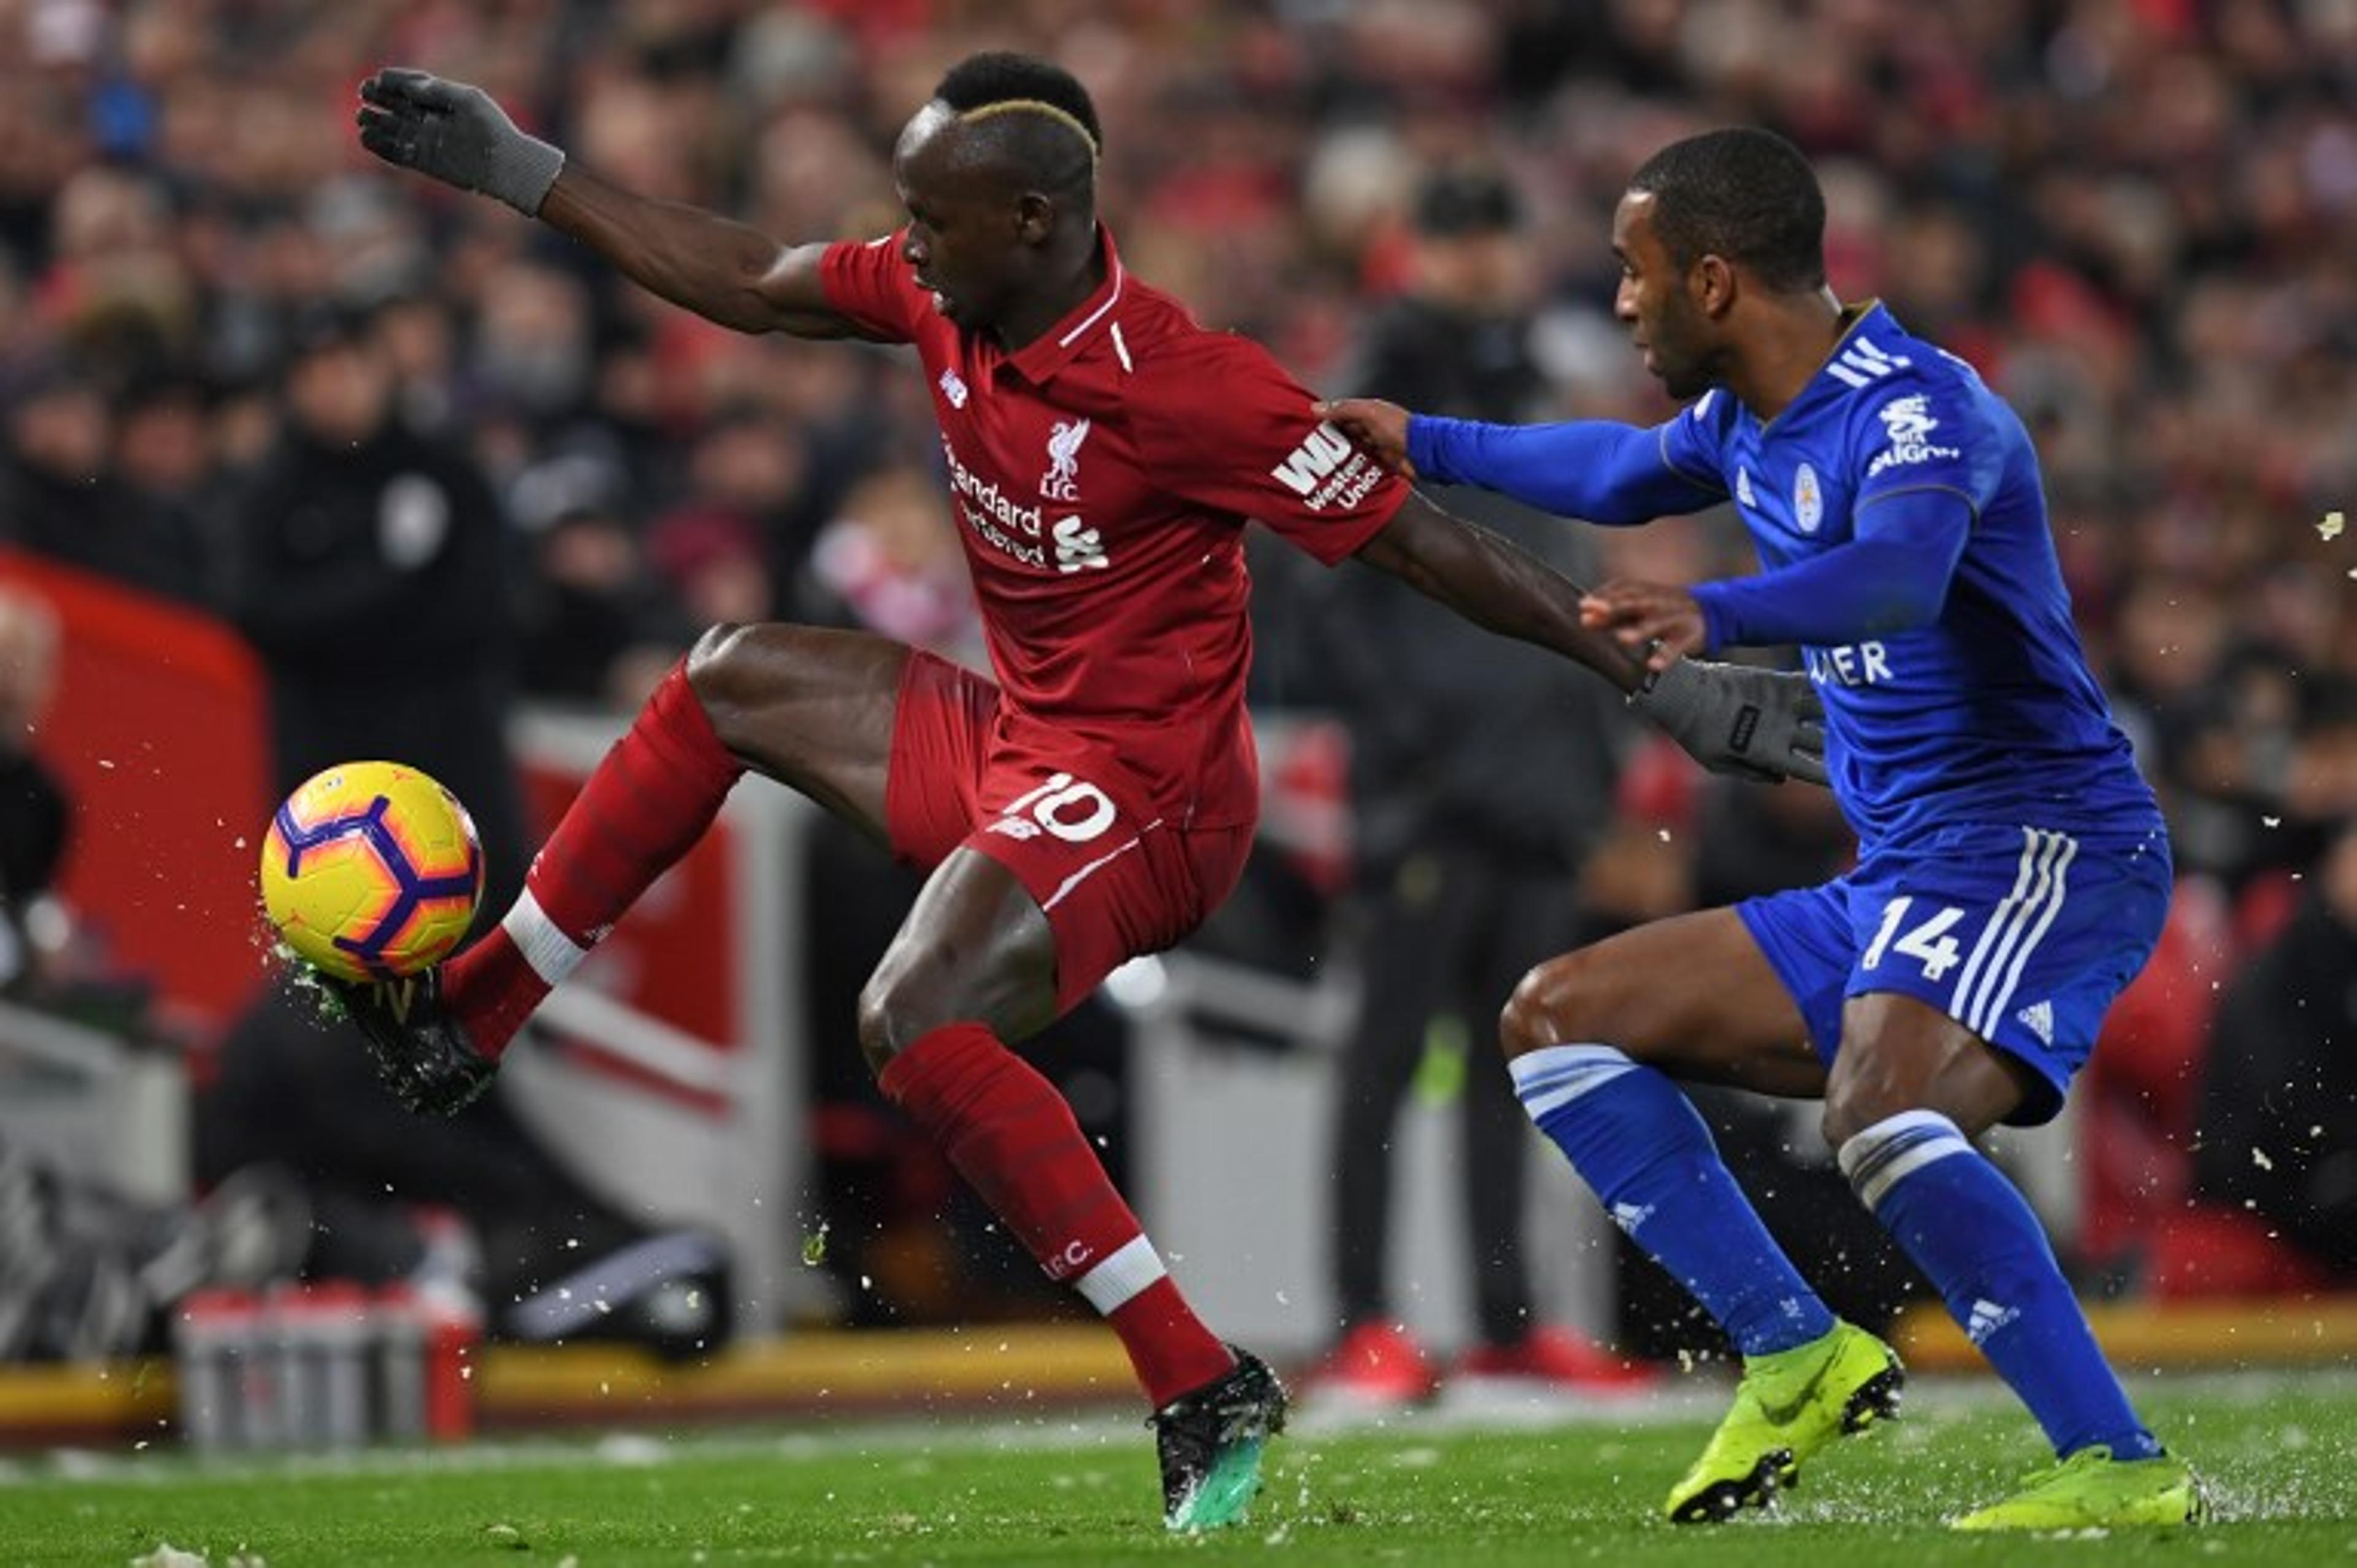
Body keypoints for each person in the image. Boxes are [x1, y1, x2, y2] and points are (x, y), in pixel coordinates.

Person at [345, 56, 1824, 1530]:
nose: (903, 243)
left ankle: (1196, 1377)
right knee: (729, 676)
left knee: (912, 1018)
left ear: (1037, 220)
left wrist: (1663, 684)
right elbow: (750, 275)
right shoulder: (947, 288)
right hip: (1022, 742)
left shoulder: (1192, 387)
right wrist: (529, 173)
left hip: (1157, 797)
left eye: (931, 217)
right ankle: (478, 1013)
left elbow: (1431, 549)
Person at [1325, 127, 2206, 1531]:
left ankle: (2118, 1464)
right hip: (1906, 871)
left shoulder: (1923, 409)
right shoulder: (1748, 422)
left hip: (2044, 849)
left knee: (1884, 1108)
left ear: (1716, 283)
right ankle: (1794, 1351)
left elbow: (1905, 577)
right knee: (1555, 1018)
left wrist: (1717, 613)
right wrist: (1419, 439)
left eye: (1635, 273)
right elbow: (1616, 476)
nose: (1619, 302)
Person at [1307, 168, 1652, 1407]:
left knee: (1522, 1065)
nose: (1482, 263)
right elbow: (1330, 597)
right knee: (1388, 1058)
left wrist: (1587, 754)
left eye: (1494, 236)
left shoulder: (1522, 379)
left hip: (1534, 780)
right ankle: (1363, 1321)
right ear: (1416, 251)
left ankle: (1508, 1324)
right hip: (1433, 792)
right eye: (1460, 239)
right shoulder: (1377, 378)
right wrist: (1418, 746)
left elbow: (1562, 576)